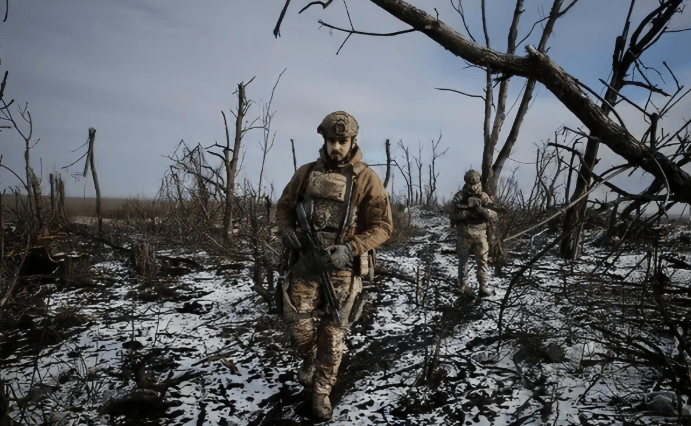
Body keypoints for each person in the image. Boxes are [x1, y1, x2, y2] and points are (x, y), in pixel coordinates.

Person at [276, 111, 393, 420]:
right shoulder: (305, 174)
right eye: (332, 141)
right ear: (324, 141)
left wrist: (352, 248)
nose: (337, 147)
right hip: (306, 263)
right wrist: (287, 232)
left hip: (342, 269)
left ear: (352, 141)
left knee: (334, 333)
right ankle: (309, 357)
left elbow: (383, 226)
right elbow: (285, 207)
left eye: (343, 141)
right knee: (298, 327)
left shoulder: (367, 178)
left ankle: (322, 392)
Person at [450, 170, 497, 297]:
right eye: (470, 182)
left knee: (482, 262)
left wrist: (483, 211)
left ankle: (482, 287)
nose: (473, 185)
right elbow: (452, 215)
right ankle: (462, 286)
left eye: (475, 181)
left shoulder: (484, 197)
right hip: (464, 235)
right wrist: (467, 213)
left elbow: (494, 214)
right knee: (463, 262)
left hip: (480, 234)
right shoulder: (459, 197)